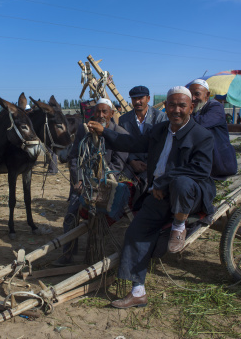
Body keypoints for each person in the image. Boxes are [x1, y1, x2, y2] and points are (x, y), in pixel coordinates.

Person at [87, 86, 216, 309]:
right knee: (136, 231)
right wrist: (104, 132)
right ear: (165, 107)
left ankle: (179, 225)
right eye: (172, 105)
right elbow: (131, 143)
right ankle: (138, 292)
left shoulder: (202, 136)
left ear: (191, 108)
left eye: (182, 105)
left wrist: (163, 182)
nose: (176, 110)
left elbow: (201, 170)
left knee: (181, 182)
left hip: (188, 197)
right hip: (158, 194)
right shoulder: (158, 130)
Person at [53, 98, 128, 266]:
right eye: (98, 112)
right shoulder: (84, 130)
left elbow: (118, 164)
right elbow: (74, 157)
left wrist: (103, 181)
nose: (101, 115)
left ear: (111, 114)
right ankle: (68, 254)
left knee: (103, 217)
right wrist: (78, 179)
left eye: (105, 112)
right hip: (83, 183)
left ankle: (99, 254)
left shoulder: (120, 133)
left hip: (107, 183)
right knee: (71, 215)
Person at [118, 86, 167, 199]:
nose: (137, 102)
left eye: (141, 98)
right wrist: (132, 161)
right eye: (134, 99)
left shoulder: (160, 117)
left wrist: (151, 164)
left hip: (153, 163)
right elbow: (122, 144)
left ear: (148, 99)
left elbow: (162, 145)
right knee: (121, 181)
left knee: (145, 183)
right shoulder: (124, 120)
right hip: (132, 161)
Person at [188, 79, 237, 179]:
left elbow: (201, 123)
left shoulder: (216, 107)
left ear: (207, 95)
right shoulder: (193, 110)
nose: (193, 98)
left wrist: (181, 117)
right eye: (190, 95)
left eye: (197, 94)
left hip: (219, 164)